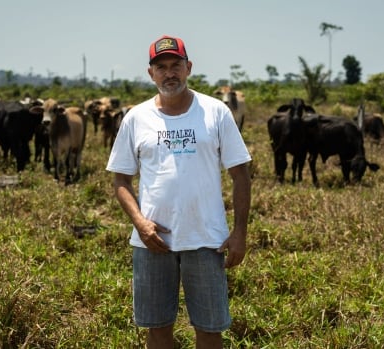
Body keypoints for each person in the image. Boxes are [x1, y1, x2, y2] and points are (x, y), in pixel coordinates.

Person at [106, 35, 252, 348]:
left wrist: (239, 232)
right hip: (153, 240)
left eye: (176, 65)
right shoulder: (136, 118)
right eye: (162, 67)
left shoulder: (215, 112)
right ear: (151, 73)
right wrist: (140, 224)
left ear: (188, 68)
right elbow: (121, 181)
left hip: (207, 239)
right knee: (157, 328)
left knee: (210, 329)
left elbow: (241, 174)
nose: (169, 73)